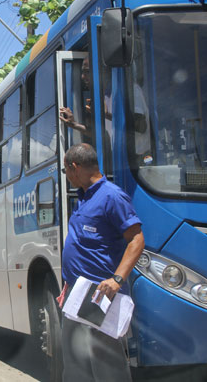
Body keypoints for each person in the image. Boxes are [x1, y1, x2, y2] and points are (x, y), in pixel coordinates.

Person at [59, 143, 145, 382]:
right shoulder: (84, 197)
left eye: (66, 170)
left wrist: (117, 280)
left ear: (75, 167)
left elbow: (136, 240)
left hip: (99, 296)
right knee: (76, 364)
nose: (66, 176)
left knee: (107, 365)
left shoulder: (111, 196)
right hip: (76, 295)